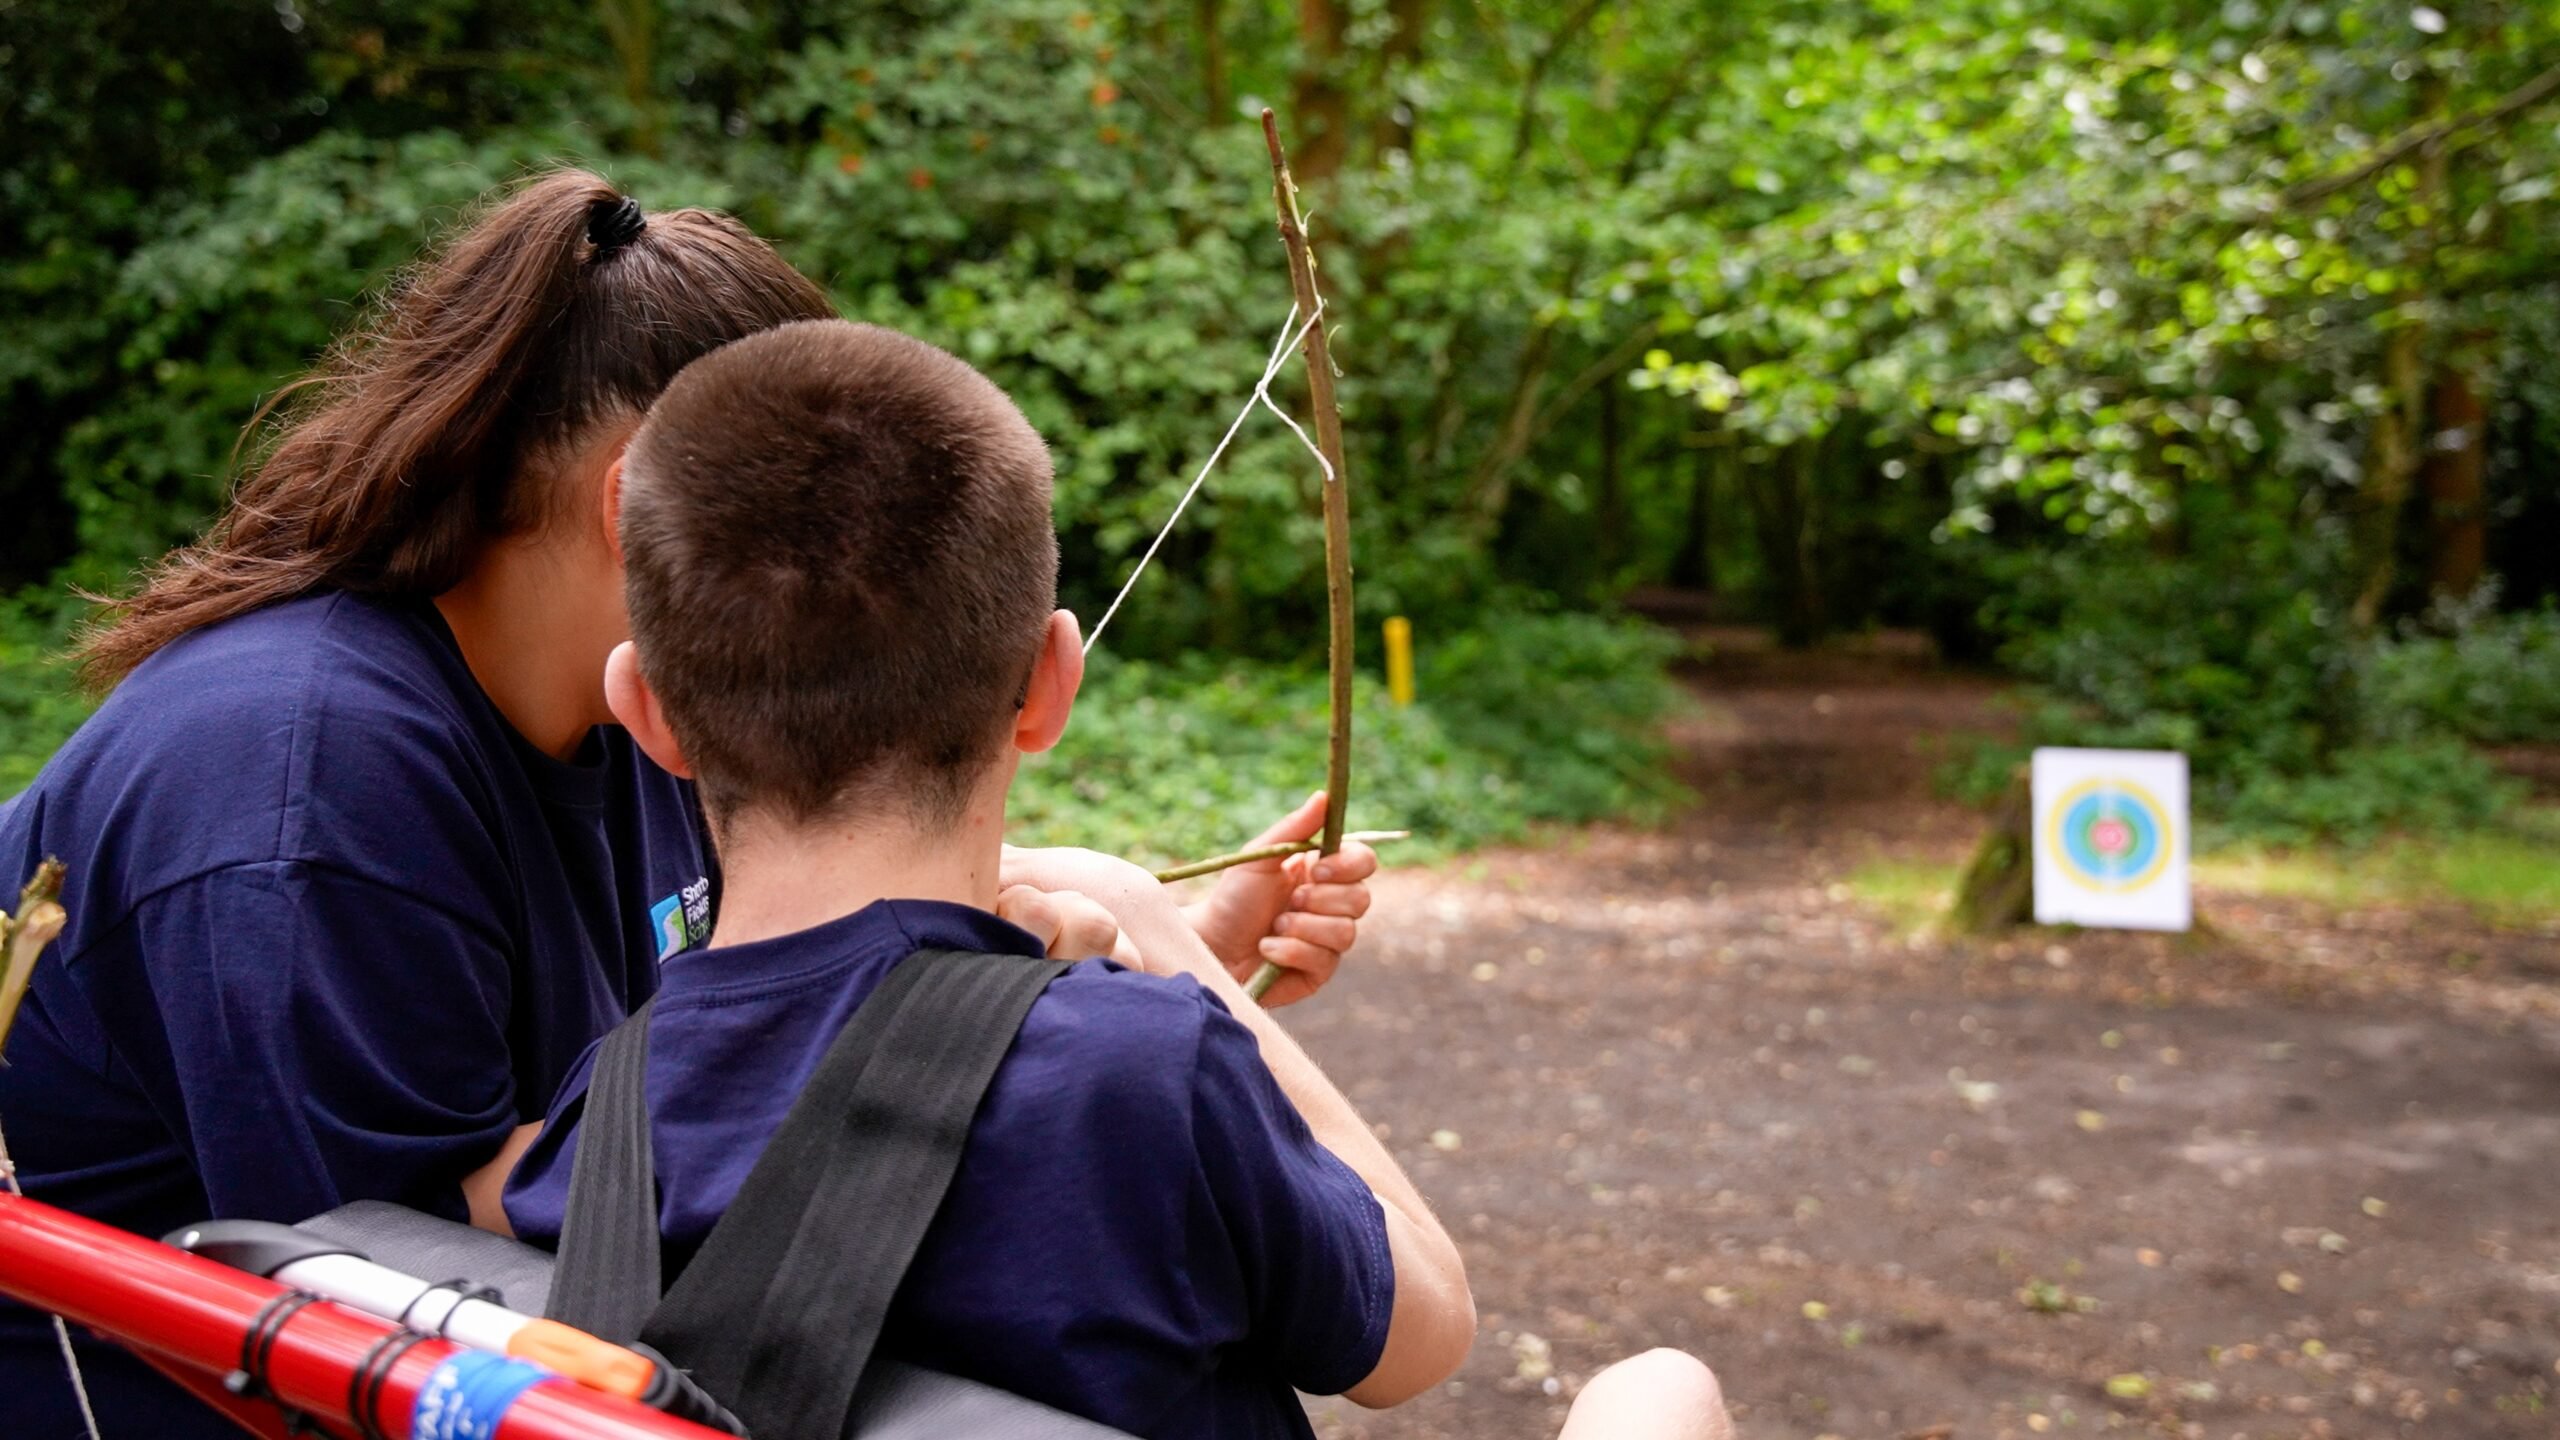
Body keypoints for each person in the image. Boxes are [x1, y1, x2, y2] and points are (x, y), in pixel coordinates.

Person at [0, 172, 1376, 1435]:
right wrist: (1080, 1068)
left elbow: (759, 1018)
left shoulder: (637, 711)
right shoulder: (303, 790)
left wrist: (1109, 963)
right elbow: (431, 1277)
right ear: (633, 498)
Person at [500, 318, 1475, 1439]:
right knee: (1658, 1392)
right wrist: (1170, 945)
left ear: (648, 713)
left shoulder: (604, 1111)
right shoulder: (1145, 1069)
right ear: (1052, 682)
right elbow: (1427, 1332)